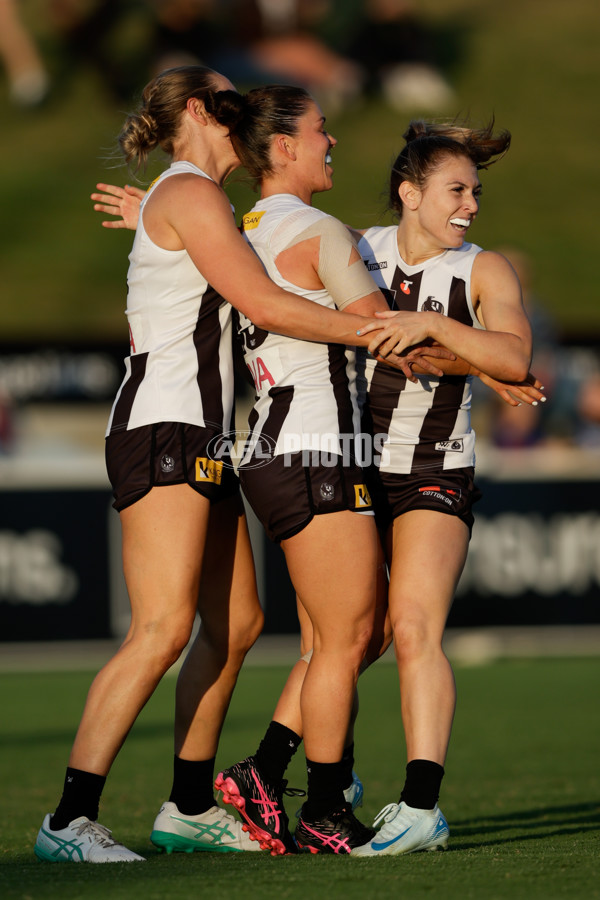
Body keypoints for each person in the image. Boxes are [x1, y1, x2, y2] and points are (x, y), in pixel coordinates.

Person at [35, 64, 437, 865]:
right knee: (160, 629)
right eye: (227, 98)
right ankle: (68, 821)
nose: (243, 107)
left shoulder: (194, 200)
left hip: (207, 435)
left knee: (239, 625)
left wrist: (146, 214)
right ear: (196, 110)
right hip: (166, 425)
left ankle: (188, 806)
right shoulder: (188, 192)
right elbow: (259, 301)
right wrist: (371, 332)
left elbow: (230, 255)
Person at [347, 119, 538, 856]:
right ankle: (325, 780)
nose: (472, 205)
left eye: (476, 192)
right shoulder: (357, 251)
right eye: (457, 190)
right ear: (408, 192)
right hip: (353, 465)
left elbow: (516, 356)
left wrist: (438, 332)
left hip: (436, 467)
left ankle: (421, 805)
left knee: (415, 626)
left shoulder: (483, 270)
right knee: (345, 639)